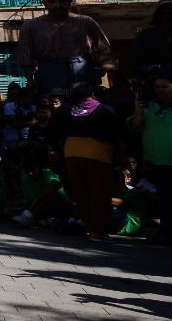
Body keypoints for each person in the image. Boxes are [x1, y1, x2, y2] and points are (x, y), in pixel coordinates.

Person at [50, 82, 124, 240]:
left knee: (80, 192)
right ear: (93, 95)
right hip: (99, 154)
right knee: (98, 193)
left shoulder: (64, 110)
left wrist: (55, 149)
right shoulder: (105, 110)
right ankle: (96, 231)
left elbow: (52, 133)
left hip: (72, 154)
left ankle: (83, 224)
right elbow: (118, 134)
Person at [18, 0, 111, 96]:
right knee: (54, 109)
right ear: (44, 2)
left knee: (85, 109)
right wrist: (30, 80)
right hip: (48, 74)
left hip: (83, 72)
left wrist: (100, 73)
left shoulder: (86, 22)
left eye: (62, 0)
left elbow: (105, 49)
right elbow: (25, 57)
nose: (57, 5)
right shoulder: (30, 26)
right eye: (51, 0)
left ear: (70, 1)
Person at [132, 71, 172, 245]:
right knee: (166, 202)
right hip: (160, 163)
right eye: (157, 87)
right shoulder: (151, 108)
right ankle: (165, 235)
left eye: (165, 86)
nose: (160, 90)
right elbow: (135, 126)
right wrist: (139, 113)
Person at [134, 1, 172, 82]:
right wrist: (161, 67)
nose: (169, 17)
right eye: (165, 14)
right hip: (156, 84)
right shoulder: (146, 36)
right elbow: (138, 68)